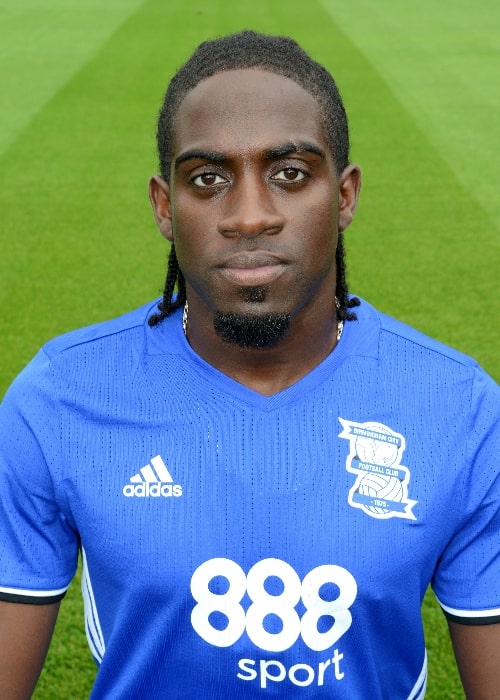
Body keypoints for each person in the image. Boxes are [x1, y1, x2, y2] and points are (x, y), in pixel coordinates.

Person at [0, 30, 498, 700]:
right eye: (208, 179)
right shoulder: (59, 399)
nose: (250, 215)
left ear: (345, 196)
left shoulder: (459, 408)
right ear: (164, 207)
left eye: (290, 175)